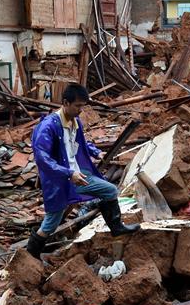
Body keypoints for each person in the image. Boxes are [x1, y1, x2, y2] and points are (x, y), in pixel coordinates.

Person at [27, 83, 139, 257]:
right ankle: (30, 256)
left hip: (78, 175)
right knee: (50, 224)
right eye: (78, 106)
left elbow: (79, 142)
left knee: (110, 190)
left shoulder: (74, 121)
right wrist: (68, 173)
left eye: (83, 106)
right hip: (60, 181)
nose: (81, 110)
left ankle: (117, 228)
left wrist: (95, 152)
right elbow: (43, 159)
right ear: (65, 102)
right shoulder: (48, 127)